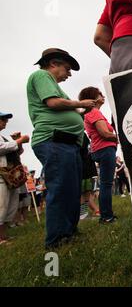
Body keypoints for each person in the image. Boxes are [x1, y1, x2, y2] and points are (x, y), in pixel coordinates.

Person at [26, 48, 97, 249]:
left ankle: (69, 232)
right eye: (67, 69)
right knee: (60, 189)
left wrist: (81, 112)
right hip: (53, 141)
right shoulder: (41, 75)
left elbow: (66, 111)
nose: (69, 74)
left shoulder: (55, 84)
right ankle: (55, 240)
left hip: (66, 143)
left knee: (72, 189)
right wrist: (80, 103)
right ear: (53, 64)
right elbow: (54, 103)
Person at [79, 87, 118, 224]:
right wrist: (120, 138)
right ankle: (106, 216)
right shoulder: (94, 113)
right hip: (105, 149)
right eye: (99, 94)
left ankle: (107, 214)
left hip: (99, 149)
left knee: (105, 184)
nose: (103, 95)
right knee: (106, 184)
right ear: (92, 97)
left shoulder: (90, 114)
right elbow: (104, 133)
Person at [0, 112, 30, 244]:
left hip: (11, 176)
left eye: (5, 120)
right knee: (1, 206)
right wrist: (18, 141)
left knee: (11, 206)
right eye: (2, 119)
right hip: (1, 176)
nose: (5, 122)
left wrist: (17, 142)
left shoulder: (2, 137)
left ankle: (3, 235)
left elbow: (16, 152)